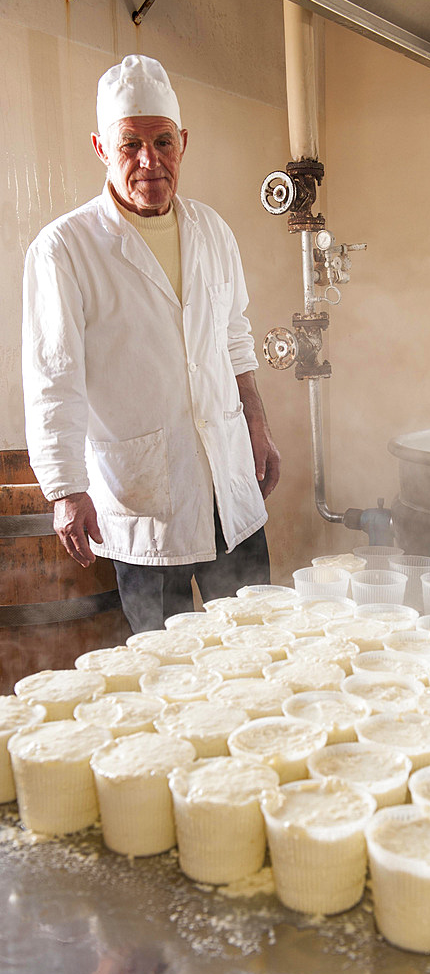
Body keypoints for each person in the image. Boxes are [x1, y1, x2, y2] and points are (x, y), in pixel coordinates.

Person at [22, 55, 280, 633]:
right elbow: (52, 376)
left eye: (163, 142)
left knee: (257, 646)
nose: (149, 161)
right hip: (146, 497)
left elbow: (235, 336)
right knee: (169, 667)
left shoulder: (213, 230)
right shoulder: (64, 249)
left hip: (228, 484)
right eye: (129, 145)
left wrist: (256, 424)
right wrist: (64, 488)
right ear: (100, 147)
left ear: (183, 142)